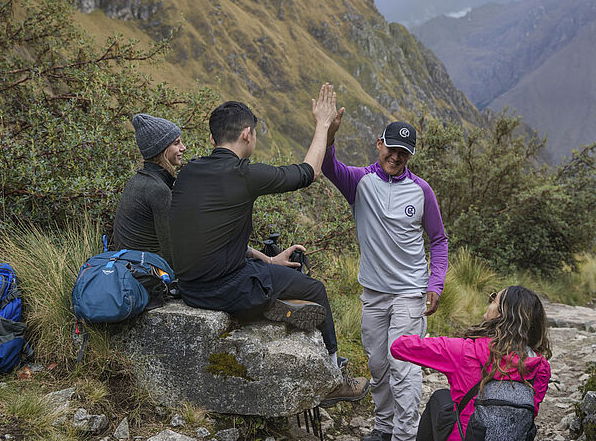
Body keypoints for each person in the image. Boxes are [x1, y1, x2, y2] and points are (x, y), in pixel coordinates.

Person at [169, 83, 368, 404]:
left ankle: (271, 300)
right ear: (247, 134)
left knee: (274, 271)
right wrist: (322, 125)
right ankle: (333, 379)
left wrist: (269, 261)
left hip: (190, 287)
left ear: (211, 139)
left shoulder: (189, 171)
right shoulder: (244, 174)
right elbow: (308, 173)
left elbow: (214, 239)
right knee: (313, 288)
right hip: (225, 289)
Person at [322, 112, 449, 441]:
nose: (395, 156)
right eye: (391, 148)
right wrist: (329, 134)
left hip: (410, 293)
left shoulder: (421, 191)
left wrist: (435, 283)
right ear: (379, 144)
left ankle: (404, 437)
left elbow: (438, 240)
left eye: (403, 152)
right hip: (374, 294)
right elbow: (327, 166)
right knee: (378, 366)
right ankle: (384, 428)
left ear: (410, 155)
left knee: (403, 368)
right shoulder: (360, 183)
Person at [390, 286, 552, 441]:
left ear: (501, 314)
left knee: (440, 398)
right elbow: (530, 412)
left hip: (466, 436)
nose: (489, 302)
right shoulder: (541, 367)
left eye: (494, 299)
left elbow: (398, 347)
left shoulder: (465, 350)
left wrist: (426, 341)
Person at [113, 113, 186, 261]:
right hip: (148, 271)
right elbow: (171, 250)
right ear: (162, 149)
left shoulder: (137, 180)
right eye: (176, 143)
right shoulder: (158, 189)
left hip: (129, 265)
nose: (183, 148)